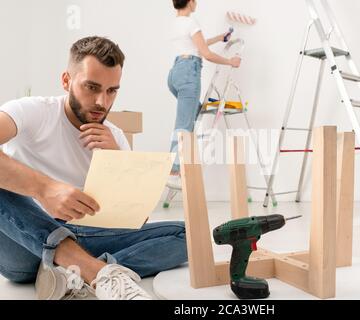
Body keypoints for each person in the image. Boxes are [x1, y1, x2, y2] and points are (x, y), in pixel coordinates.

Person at [0, 36, 188, 300]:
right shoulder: (33, 112)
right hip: (24, 243)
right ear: (66, 81)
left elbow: (137, 221)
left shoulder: (115, 137)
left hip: (87, 236)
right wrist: (44, 189)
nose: (102, 101)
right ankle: (96, 272)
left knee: (189, 235)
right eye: (92, 87)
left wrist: (116, 160)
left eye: (112, 90)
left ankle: (69, 273)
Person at [167, 0, 241, 188]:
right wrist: (230, 62)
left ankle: (177, 167)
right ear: (190, 2)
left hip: (175, 74)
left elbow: (198, 45)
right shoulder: (191, 23)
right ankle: (174, 172)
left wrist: (219, 38)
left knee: (192, 115)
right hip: (189, 72)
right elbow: (206, 54)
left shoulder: (177, 23)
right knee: (184, 126)